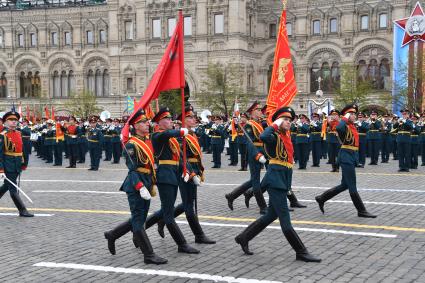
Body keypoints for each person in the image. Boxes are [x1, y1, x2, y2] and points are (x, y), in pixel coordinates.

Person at [234, 106, 321, 262]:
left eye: (289, 119)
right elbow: (262, 136)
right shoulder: (273, 135)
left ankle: (244, 237)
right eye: (285, 119)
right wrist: (275, 124)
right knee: (285, 221)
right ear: (279, 121)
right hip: (276, 181)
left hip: (282, 179)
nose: (288, 122)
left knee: (270, 215)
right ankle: (300, 251)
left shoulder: (285, 135)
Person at [104, 109, 167, 264]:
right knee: (138, 221)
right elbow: (132, 169)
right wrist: (140, 186)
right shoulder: (131, 144)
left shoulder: (146, 140)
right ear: (135, 125)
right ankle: (149, 255)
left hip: (146, 182)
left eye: (147, 122)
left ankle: (113, 234)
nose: (147, 124)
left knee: (139, 218)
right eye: (143, 122)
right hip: (136, 185)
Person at [156, 106, 215, 244]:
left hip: (193, 168)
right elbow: (182, 158)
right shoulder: (181, 136)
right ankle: (198, 235)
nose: (194, 119)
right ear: (182, 120)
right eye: (190, 117)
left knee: (186, 203)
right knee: (188, 205)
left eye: (194, 117)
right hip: (185, 171)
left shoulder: (192, 134)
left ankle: (162, 219)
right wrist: (190, 172)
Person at [144, 107, 199, 254]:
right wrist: (181, 131)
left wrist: (190, 173)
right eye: (166, 119)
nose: (170, 121)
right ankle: (182, 244)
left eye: (170, 119)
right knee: (168, 214)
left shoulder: (172, 140)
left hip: (174, 175)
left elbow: (180, 158)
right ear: (159, 123)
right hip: (164, 176)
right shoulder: (157, 135)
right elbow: (167, 133)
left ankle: (139, 231)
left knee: (165, 210)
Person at [315, 104, 376, 218]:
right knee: (352, 186)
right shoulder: (344, 125)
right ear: (347, 116)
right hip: (346, 157)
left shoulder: (352, 126)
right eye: (351, 114)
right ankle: (361, 210)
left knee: (345, 185)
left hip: (351, 156)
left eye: (354, 114)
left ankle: (322, 198)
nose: (354, 116)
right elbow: (338, 128)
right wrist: (344, 118)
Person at [0, 111, 33, 217]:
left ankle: (22, 210)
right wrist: (1, 169)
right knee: (13, 188)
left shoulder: (19, 133)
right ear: (5, 122)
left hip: (17, 164)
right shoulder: (3, 135)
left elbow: (23, 150)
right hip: (8, 164)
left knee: (7, 185)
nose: (14, 122)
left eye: (15, 120)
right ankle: (22, 210)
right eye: (11, 120)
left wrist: (24, 163)